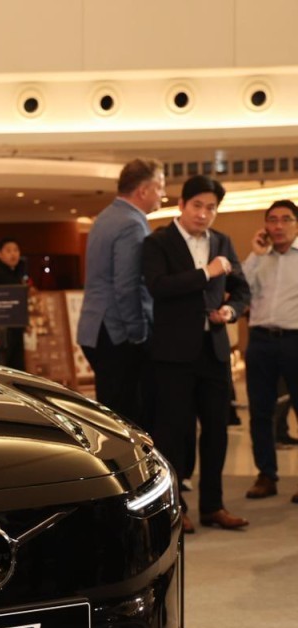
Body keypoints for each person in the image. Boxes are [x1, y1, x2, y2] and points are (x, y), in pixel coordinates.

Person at [142, 175, 251, 533]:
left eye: (211, 208)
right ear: (181, 205)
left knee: (217, 429)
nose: (204, 214)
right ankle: (177, 508)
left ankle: (213, 506)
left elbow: (241, 289)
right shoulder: (158, 241)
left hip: (213, 350)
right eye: (197, 206)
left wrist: (231, 311)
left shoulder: (222, 241)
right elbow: (159, 287)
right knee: (174, 432)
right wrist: (206, 272)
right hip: (173, 353)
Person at [77, 158, 163, 426]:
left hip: (95, 328)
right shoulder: (131, 223)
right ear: (143, 191)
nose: (163, 194)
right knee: (127, 419)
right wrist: (138, 334)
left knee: (111, 413)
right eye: (159, 187)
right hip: (116, 332)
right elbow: (127, 285)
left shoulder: (105, 217)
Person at [240, 199, 298, 503]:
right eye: (272, 220)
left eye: (286, 219)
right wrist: (255, 255)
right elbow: (239, 290)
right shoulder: (258, 258)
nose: (278, 226)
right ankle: (266, 475)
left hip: (295, 339)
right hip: (261, 340)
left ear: (296, 225)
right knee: (260, 411)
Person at [0, 237, 28, 370]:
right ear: (0, 254)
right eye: (8, 250)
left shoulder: (15, 273)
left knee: (16, 369)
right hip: (2, 334)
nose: (13, 254)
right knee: (5, 369)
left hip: (14, 329)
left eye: (16, 250)